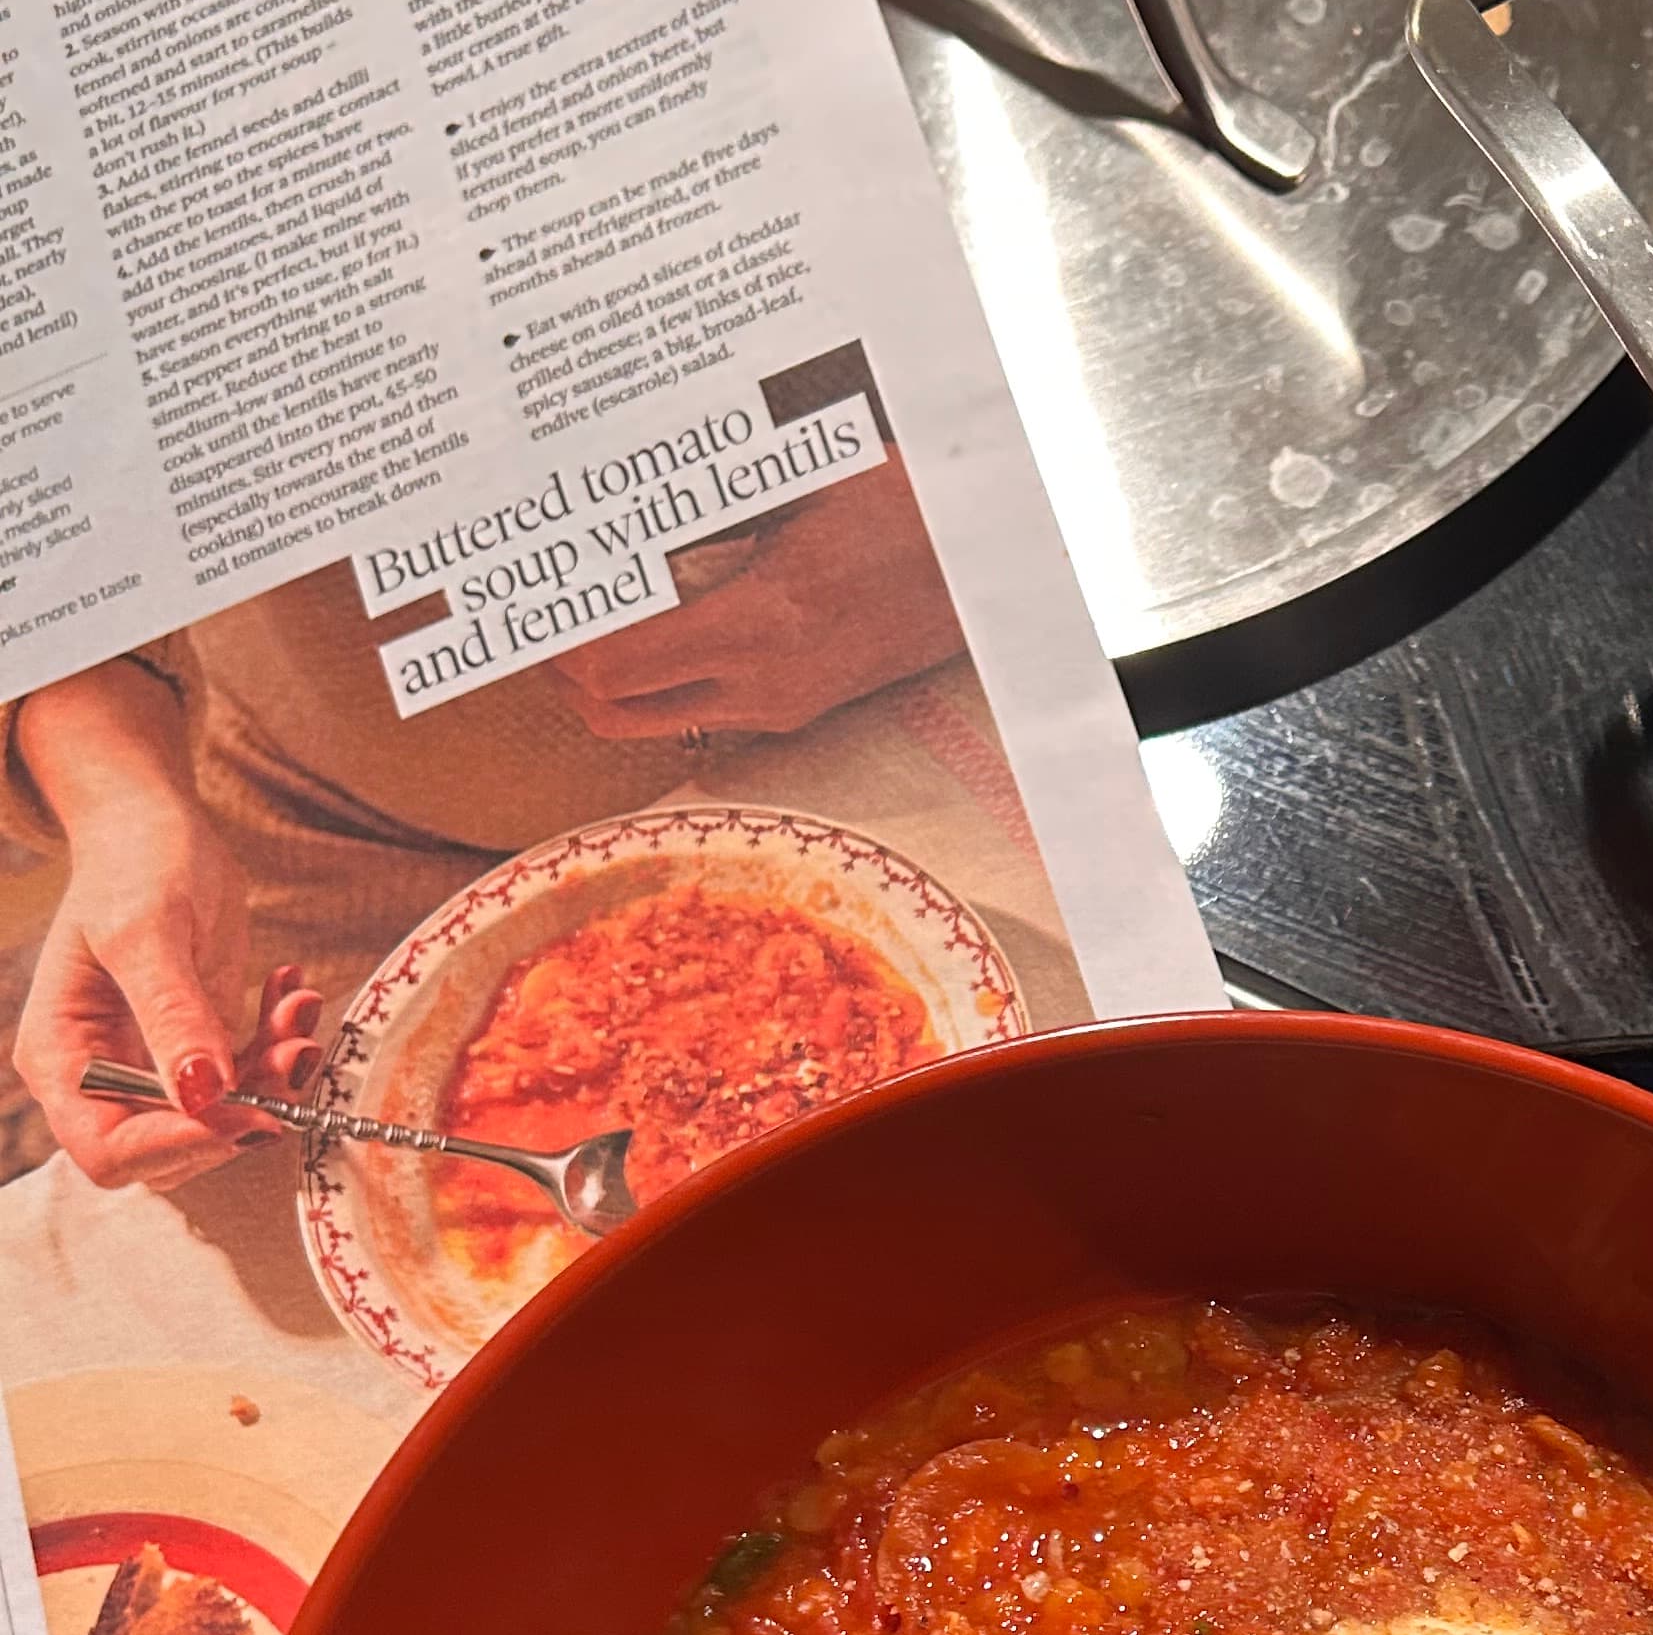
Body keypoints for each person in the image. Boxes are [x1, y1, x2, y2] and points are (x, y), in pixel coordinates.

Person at [5, 436, 970, 1187]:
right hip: (326, 821)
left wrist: (969, 506)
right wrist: (119, 799)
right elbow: (54, 484)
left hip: (904, 681)